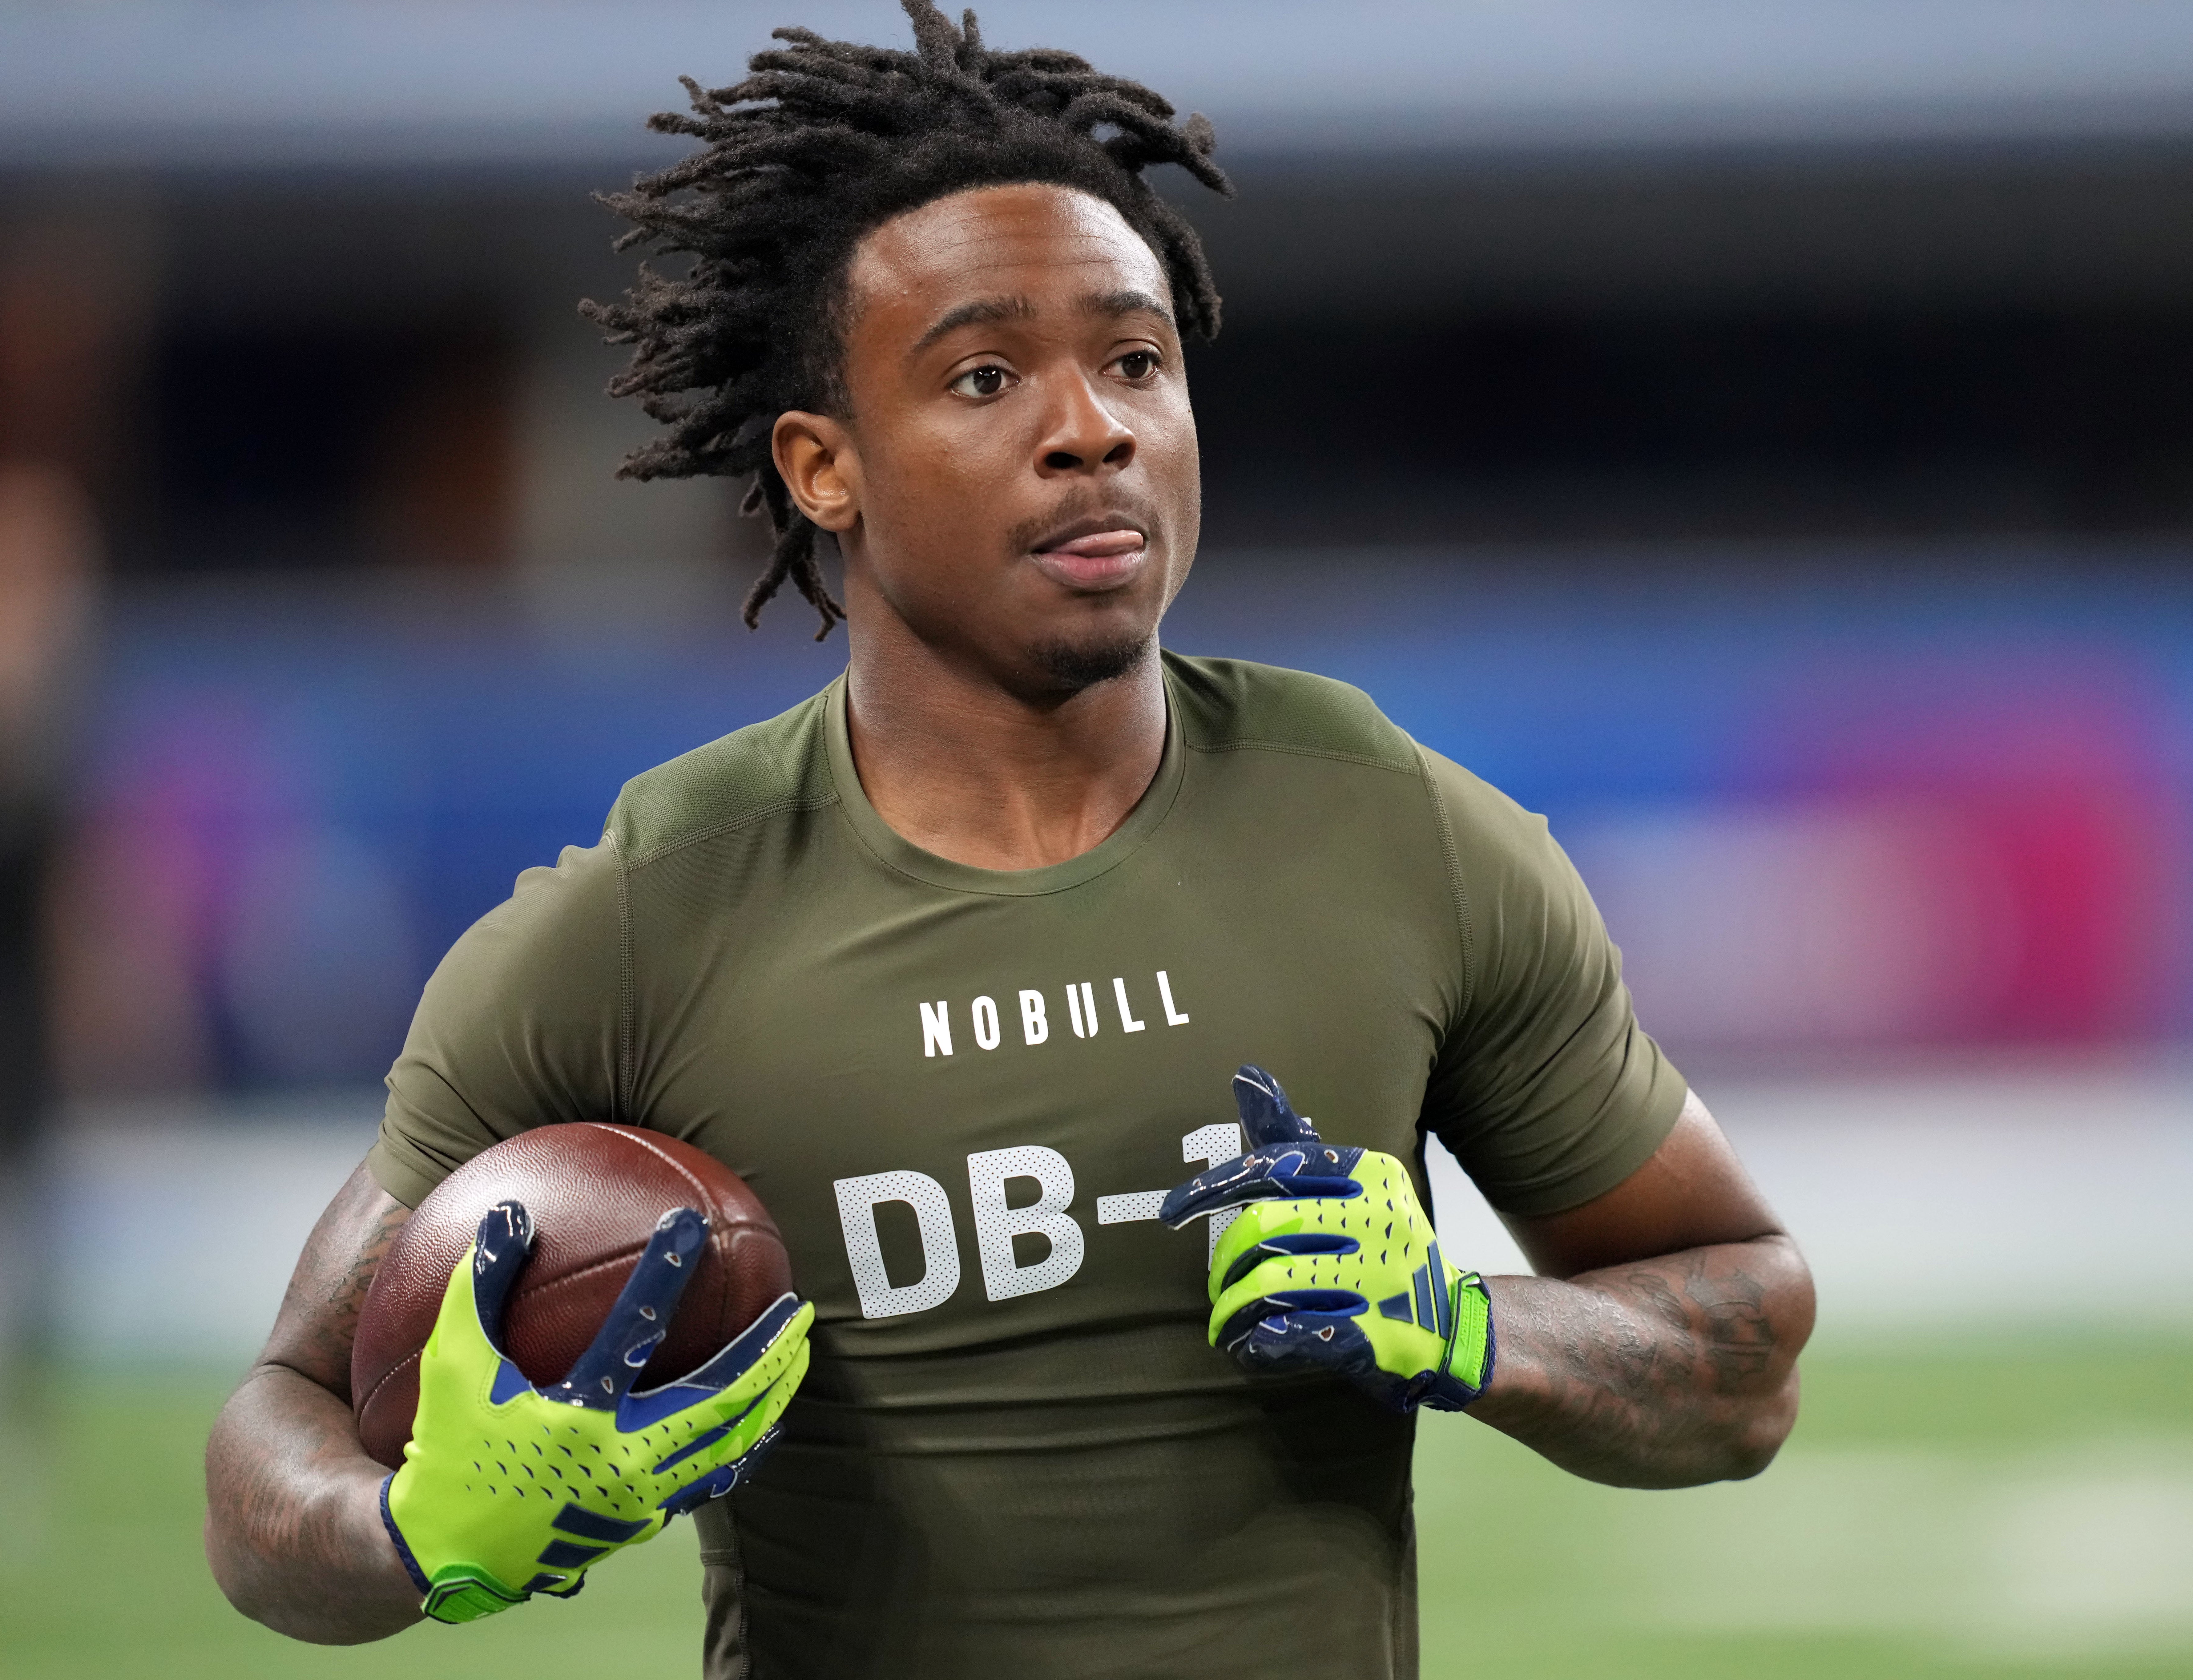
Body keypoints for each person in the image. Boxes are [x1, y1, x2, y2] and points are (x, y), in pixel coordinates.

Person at [204, 6, 1815, 1674]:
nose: (1091, 429)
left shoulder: (1394, 829)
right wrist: (412, 1535)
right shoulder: (641, 920)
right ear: (822, 467)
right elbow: (273, 1448)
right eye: (985, 377)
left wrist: (1473, 1327)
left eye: (1134, 363)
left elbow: (1745, 1354)